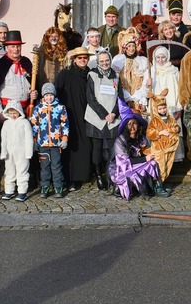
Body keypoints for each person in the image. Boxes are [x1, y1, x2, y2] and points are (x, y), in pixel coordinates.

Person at [55, 47, 93, 191]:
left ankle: (81, 176)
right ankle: (68, 178)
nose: (83, 60)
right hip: (69, 114)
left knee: (84, 145)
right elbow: (56, 91)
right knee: (70, 146)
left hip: (86, 114)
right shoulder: (65, 73)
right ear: (74, 59)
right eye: (80, 58)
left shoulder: (90, 75)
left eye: (85, 58)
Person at [108, 99, 160, 200]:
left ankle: (155, 186)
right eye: (129, 124)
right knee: (130, 173)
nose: (132, 127)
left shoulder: (141, 138)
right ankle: (123, 188)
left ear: (138, 125)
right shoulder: (120, 141)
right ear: (125, 126)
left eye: (135, 123)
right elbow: (124, 163)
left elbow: (148, 151)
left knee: (153, 163)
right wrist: (144, 159)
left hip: (137, 164)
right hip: (124, 168)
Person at [84, 49, 120, 190]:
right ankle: (99, 176)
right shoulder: (92, 75)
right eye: (102, 61)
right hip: (96, 118)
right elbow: (91, 98)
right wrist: (104, 114)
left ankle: (112, 175)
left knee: (113, 149)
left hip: (112, 119)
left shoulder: (116, 76)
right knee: (97, 149)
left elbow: (120, 98)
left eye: (107, 60)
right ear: (98, 62)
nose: (105, 63)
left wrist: (114, 113)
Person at [0, 30, 38, 122]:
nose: (16, 49)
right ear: (6, 48)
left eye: (18, 46)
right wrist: (0, 112)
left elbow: (31, 85)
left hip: (25, 110)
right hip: (7, 110)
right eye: (13, 46)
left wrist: (33, 94)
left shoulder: (26, 63)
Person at [30, 83, 69, 199]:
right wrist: (34, 140)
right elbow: (34, 125)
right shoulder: (38, 108)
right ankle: (45, 187)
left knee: (56, 166)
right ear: (43, 96)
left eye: (51, 95)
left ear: (54, 95)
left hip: (56, 143)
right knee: (44, 167)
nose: (49, 97)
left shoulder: (60, 108)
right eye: (46, 95)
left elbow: (65, 124)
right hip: (43, 143)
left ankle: (58, 187)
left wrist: (64, 138)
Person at [149, 46, 183, 161]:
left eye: (163, 57)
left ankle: (173, 158)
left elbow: (179, 88)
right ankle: (160, 157)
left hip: (171, 106)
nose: (160, 60)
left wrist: (179, 107)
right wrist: (148, 84)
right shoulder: (151, 71)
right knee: (159, 130)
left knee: (171, 130)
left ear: (167, 57)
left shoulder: (174, 70)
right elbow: (146, 91)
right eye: (158, 57)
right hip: (157, 107)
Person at [146, 90, 180, 196]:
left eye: (164, 108)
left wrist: (176, 128)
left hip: (170, 147)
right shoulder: (154, 120)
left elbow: (176, 126)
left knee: (167, 165)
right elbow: (149, 133)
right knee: (160, 166)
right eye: (160, 109)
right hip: (159, 148)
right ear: (156, 109)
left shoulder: (170, 118)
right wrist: (160, 132)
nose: (162, 110)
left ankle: (163, 182)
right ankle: (158, 185)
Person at [0, 101, 34, 201]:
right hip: (9, 152)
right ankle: (9, 191)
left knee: (22, 171)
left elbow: (29, 138)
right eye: (10, 113)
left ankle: (22, 192)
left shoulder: (25, 122)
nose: (12, 115)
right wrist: (3, 152)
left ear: (19, 112)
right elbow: (4, 139)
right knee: (9, 171)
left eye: (14, 113)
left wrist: (29, 152)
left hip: (22, 152)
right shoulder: (6, 123)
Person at [112, 28, 149, 111]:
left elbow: (146, 79)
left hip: (139, 97)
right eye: (129, 46)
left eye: (133, 46)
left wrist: (139, 93)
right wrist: (124, 94)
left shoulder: (142, 61)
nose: (131, 49)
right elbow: (115, 79)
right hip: (123, 97)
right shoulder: (118, 60)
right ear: (124, 48)